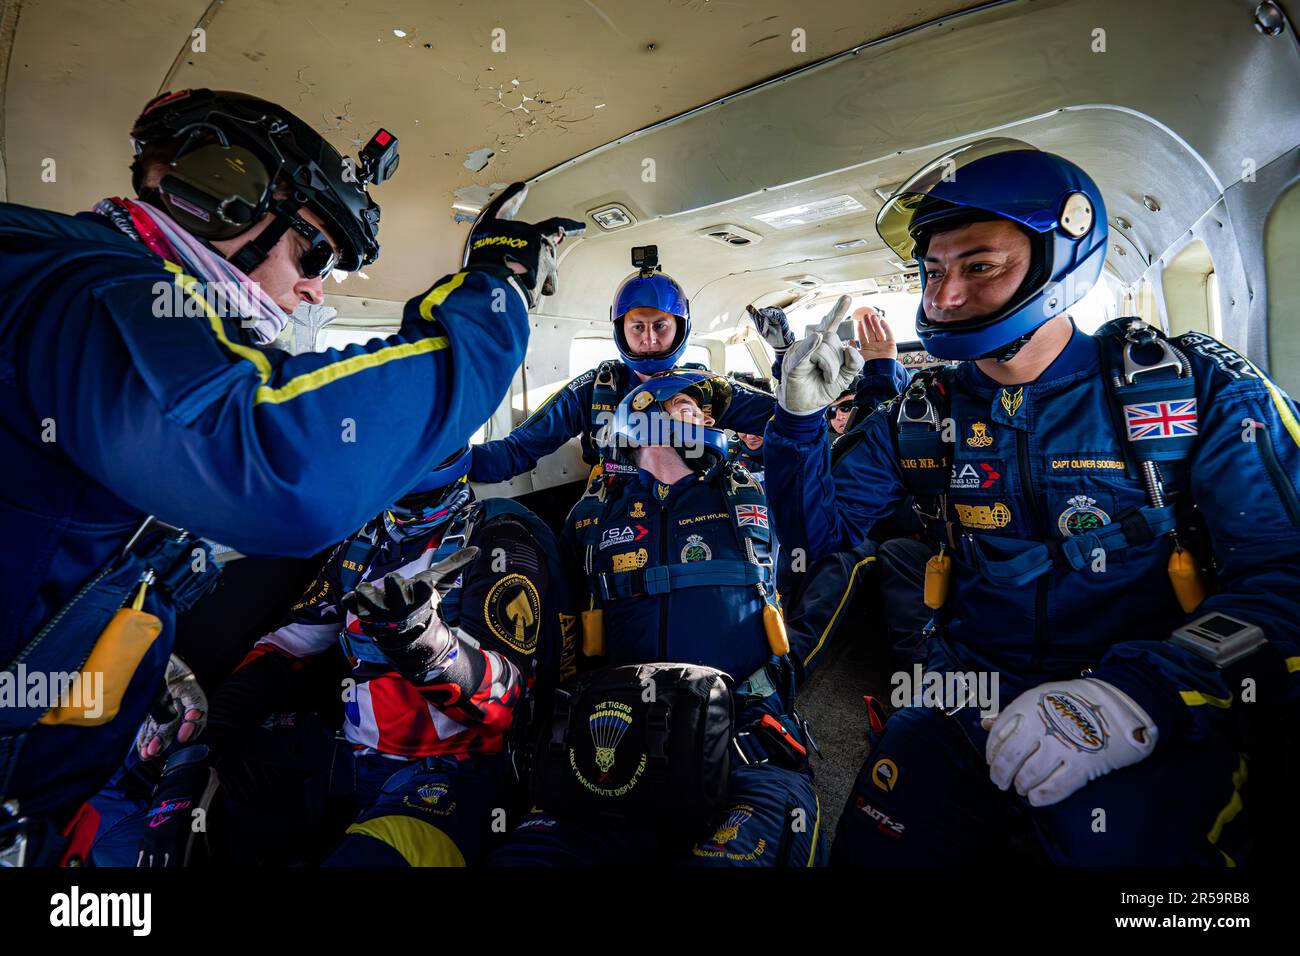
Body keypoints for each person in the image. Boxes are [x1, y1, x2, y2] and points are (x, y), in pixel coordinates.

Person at [0, 87, 581, 861]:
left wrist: (139, 672)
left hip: (434, 774)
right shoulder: (84, 285)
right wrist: (496, 295)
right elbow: (277, 470)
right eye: (313, 255)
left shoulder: (501, 542)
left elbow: (512, 699)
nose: (313, 288)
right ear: (222, 189)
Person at [764, 138, 1300, 865]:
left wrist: (1134, 697)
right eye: (932, 271)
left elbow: (1285, 582)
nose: (944, 296)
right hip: (967, 687)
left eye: (980, 266)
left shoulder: (1190, 388)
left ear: (1058, 261)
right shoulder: (923, 411)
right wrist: (797, 425)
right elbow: (815, 547)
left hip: (1156, 693)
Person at [114, 449, 577, 867]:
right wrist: (205, 741)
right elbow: (284, 649)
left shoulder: (499, 538)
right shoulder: (363, 544)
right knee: (157, 793)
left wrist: (423, 640)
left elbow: (504, 702)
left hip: (457, 777)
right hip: (351, 760)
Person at [490, 371, 826, 866]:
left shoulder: (758, 492)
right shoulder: (591, 518)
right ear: (637, 414)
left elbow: (820, 529)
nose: (700, 414)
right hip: (619, 736)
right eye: (683, 403)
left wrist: (802, 422)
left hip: (745, 739)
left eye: (705, 411)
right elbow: (560, 639)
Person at [468, 253, 778, 484]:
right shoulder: (594, 389)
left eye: (660, 326)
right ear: (620, 329)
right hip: (616, 513)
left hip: (697, 506)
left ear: (680, 327)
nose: (648, 339)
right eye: (637, 327)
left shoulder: (707, 388)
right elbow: (518, 450)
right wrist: (445, 463)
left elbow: (784, 420)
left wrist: (784, 359)